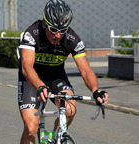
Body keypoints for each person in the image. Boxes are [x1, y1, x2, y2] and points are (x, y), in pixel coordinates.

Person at [18, 0, 109, 143]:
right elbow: (26, 67)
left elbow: (85, 70)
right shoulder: (32, 33)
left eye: (63, 30)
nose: (58, 35)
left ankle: (55, 136)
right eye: (53, 29)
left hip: (56, 77)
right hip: (31, 78)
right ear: (44, 24)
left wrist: (95, 90)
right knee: (31, 127)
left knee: (70, 110)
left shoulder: (72, 39)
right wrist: (40, 86)